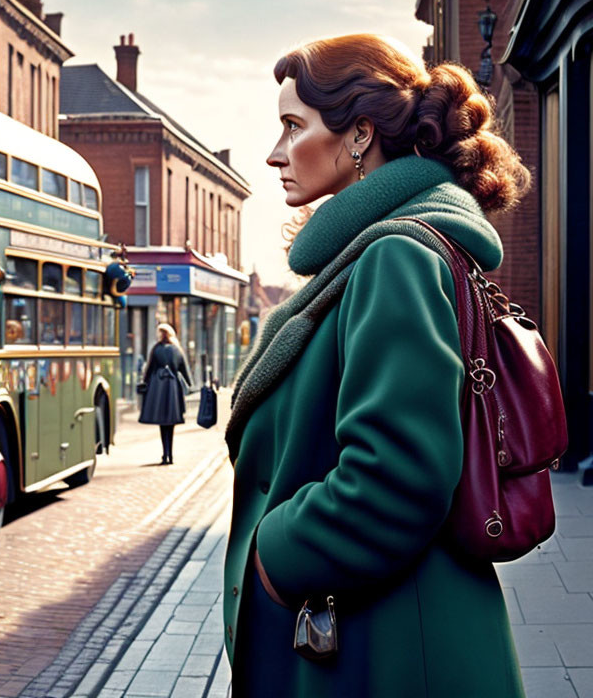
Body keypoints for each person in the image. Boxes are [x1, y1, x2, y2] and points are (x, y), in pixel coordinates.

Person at [223, 34, 531, 696]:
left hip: (384, 649)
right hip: (374, 630)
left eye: (292, 126)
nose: (275, 153)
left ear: (360, 134)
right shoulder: (373, 256)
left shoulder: (394, 261)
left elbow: (398, 478)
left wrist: (275, 555)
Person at [139, 323, 192, 465]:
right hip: (173, 388)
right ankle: (170, 455)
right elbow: (183, 369)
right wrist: (190, 385)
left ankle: (165, 455)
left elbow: (149, 369)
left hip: (159, 388)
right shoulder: (177, 349)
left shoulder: (156, 349)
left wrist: (144, 382)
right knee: (171, 422)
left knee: (163, 423)